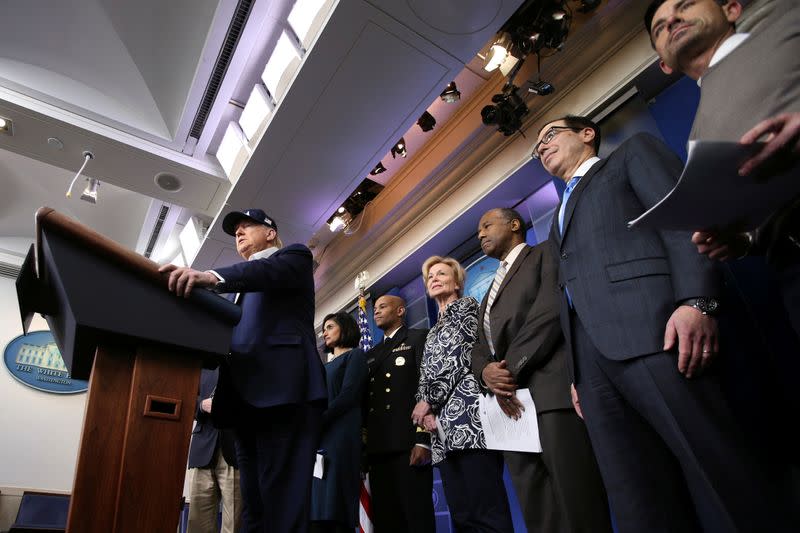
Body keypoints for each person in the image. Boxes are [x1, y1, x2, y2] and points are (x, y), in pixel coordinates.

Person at [536, 115, 788, 532]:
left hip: (657, 335)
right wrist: (575, 375)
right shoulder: (555, 222)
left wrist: (697, 300)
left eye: (550, 135)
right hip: (592, 369)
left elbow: (683, 222)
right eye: (536, 147)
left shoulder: (631, 155)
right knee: (634, 495)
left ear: (586, 133)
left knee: (713, 467)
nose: (542, 147)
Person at [159, 208, 327, 533]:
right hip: (244, 407)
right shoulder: (237, 290)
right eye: (235, 229)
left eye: (247, 225)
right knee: (254, 508)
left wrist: (210, 276)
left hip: (285, 395)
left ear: (271, 232)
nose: (238, 232)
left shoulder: (293, 257)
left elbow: (264, 272)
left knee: (283, 505)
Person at [646, 0, 800, 337]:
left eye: (685, 6)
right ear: (664, 65)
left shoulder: (786, 16)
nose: (671, 20)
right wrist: (739, 240)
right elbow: (752, 222)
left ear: (731, 9)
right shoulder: (696, 138)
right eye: (659, 28)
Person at [471, 207, 612, 533]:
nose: (480, 234)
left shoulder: (545, 253)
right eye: (478, 230)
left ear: (515, 224)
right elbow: (479, 346)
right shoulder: (487, 293)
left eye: (487, 225)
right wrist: (485, 374)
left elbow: (549, 313)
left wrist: (507, 371)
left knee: (577, 497)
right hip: (508, 408)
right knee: (536, 506)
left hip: (548, 393)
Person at [412, 256, 513, 533]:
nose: (433, 278)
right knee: (462, 514)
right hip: (442, 434)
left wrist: (428, 401)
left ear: (456, 282)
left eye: (441, 274)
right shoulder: (431, 332)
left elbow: (459, 356)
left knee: (487, 511)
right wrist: (427, 408)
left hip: (471, 425)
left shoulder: (468, 308)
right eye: (429, 276)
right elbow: (424, 376)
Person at [363, 294, 435, 533]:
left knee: (416, 516)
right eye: (375, 308)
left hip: (408, 443)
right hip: (379, 447)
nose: (377, 311)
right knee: (386, 518)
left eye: (383, 306)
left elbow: (426, 387)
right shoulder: (372, 354)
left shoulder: (417, 338)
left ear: (401, 311)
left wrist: (423, 439)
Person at [311, 312, 368, 533]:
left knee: (336, 506)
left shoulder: (355, 357)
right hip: (321, 437)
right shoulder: (323, 367)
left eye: (330, 327)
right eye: (323, 329)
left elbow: (349, 395)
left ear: (345, 329)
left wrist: (319, 420)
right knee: (318, 506)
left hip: (341, 436)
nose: (324, 332)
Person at [187, 368, 242, 533]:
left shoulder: (247, 361)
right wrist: (202, 405)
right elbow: (183, 395)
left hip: (236, 450)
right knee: (198, 524)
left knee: (234, 524)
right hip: (203, 450)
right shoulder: (201, 364)